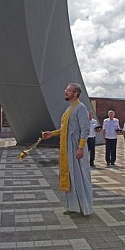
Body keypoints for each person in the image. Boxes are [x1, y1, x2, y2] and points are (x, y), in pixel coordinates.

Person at [42, 83, 93, 216]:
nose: (65, 92)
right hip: (67, 147)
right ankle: (74, 206)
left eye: (68, 90)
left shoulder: (81, 108)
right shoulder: (69, 108)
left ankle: (83, 208)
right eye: (65, 90)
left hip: (76, 146)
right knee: (71, 177)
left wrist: (81, 148)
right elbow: (66, 129)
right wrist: (52, 134)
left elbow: (85, 130)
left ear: (75, 94)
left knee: (78, 177)